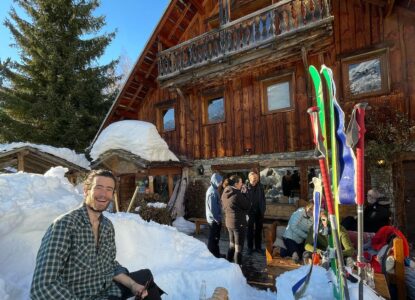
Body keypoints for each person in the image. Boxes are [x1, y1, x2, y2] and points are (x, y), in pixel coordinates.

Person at [30, 169, 164, 300]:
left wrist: (133, 285)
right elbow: (42, 287)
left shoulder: (107, 226)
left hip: (107, 290)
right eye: (98, 187)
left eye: (108, 189)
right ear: (86, 191)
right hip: (79, 295)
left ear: (112, 194)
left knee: (146, 277)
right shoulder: (64, 225)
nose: (103, 194)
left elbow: (109, 265)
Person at [221, 175, 250, 265]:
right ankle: (238, 269)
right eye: (241, 182)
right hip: (238, 223)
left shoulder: (225, 192)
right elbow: (247, 205)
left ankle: (228, 264)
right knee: (238, 248)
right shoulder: (237, 194)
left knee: (232, 245)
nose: (242, 184)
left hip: (229, 222)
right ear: (236, 184)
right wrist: (245, 194)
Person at [246, 171, 266, 254]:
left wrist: (263, 209)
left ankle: (258, 247)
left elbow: (263, 199)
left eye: (257, 178)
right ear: (250, 178)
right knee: (249, 230)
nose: (256, 180)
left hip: (259, 211)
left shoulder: (260, 187)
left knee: (258, 230)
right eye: (254, 178)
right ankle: (250, 248)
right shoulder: (245, 187)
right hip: (249, 212)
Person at [205, 173, 223, 258]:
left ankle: (216, 253)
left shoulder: (214, 189)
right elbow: (213, 208)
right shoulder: (212, 191)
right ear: (215, 181)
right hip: (214, 220)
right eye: (219, 181)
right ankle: (213, 255)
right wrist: (217, 219)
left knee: (215, 238)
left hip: (214, 219)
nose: (221, 183)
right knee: (213, 238)